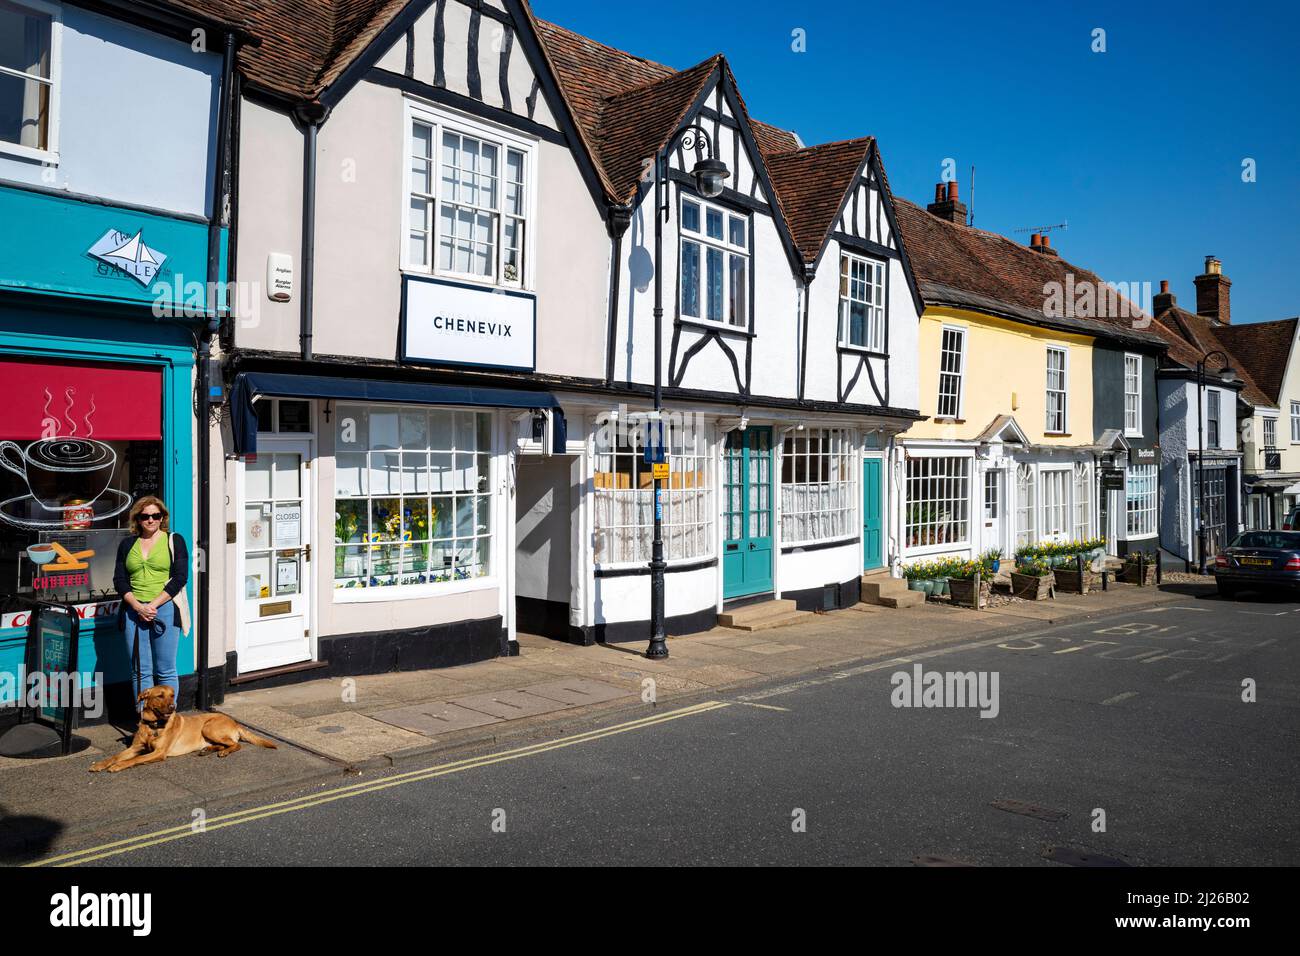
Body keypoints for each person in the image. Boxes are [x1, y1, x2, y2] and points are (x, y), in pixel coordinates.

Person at [114, 496, 190, 706]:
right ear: (137, 519)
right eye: (145, 516)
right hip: (134, 611)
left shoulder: (174, 540)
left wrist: (152, 605)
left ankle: (168, 722)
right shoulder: (127, 544)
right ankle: (145, 721)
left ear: (162, 517)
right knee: (140, 670)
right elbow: (119, 580)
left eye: (155, 515)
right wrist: (138, 606)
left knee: (165, 669)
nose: (150, 520)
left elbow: (181, 577)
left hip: (164, 609)